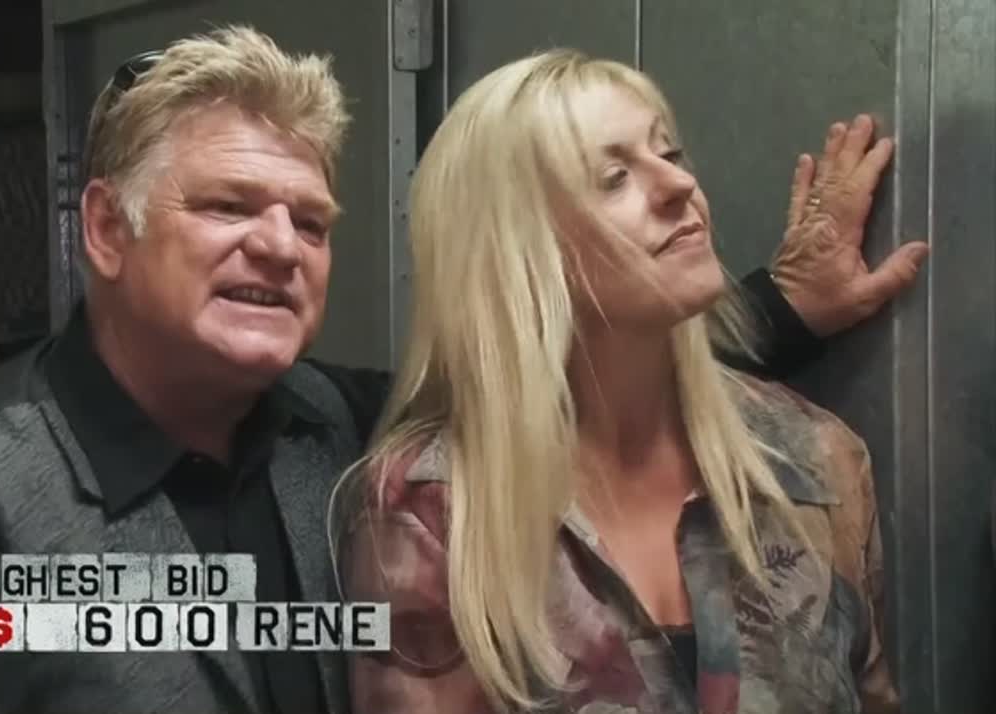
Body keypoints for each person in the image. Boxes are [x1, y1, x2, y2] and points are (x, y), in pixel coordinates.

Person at [0, 26, 923, 714]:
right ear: (106, 230)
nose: (278, 244)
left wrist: (777, 304)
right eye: (229, 206)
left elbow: (559, 369)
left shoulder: (344, 435)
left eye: (309, 222)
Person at [335, 50, 904, 714]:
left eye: (670, 153)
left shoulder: (816, 458)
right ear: (518, 251)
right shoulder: (431, 514)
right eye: (614, 178)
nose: (678, 184)